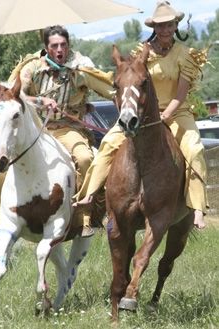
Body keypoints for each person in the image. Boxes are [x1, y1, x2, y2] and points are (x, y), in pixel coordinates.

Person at [73, 1, 208, 229]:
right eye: (160, 26)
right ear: (154, 27)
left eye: (169, 25)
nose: (164, 30)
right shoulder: (140, 53)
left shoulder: (185, 55)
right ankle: (89, 196)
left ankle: (197, 208)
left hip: (177, 112)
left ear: (176, 25)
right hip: (141, 112)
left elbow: (181, 95)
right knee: (107, 143)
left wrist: (167, 114)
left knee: (194, 149)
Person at [0, 25, 114, 251]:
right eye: (54, 46)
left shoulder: (80, 67)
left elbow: (108, 88)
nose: (59, 50)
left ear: (69, 45)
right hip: (35, 130)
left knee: (84, 158)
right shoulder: (32, 66)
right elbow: (11, 93)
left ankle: (86, 216)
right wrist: (39, 102)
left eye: (63, 45)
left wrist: (125, 98)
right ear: (46, 47)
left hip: (69, 129)